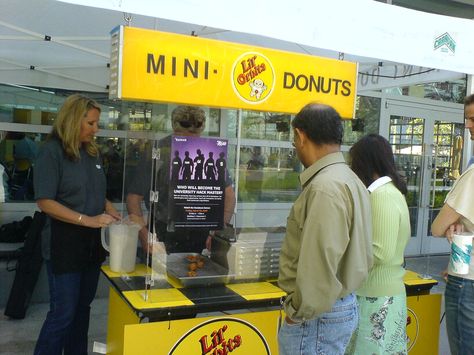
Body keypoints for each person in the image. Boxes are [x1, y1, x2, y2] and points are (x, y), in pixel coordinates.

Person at [278, 103, 373, 355]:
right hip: (336, 305)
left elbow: (319, 263)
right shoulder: (349, 178)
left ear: (300, 135)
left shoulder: (325, 187)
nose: (295, 147)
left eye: (293, 141)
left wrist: (297, 314)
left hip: (317, 315)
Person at [33, 94, 120, 355]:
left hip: (91, 245)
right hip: (64, 244)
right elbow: (45, 201)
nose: (97, 129)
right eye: (91, 123)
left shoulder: (90, 152)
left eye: (97, 123)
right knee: (64, 314)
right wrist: (88, 219)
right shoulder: (51, 152)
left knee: (83, 310)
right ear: (73, 121)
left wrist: (107, 206)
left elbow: (90, 189)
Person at [126, 105, 235, 255]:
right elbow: (133, 198)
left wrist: (217, 231)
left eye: (193, 136)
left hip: (197, 232)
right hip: (163, 231)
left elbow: (229, 196)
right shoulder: (158, 150)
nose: (188, 142)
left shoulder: (208, 150)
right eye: (184, 136)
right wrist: (145, 236)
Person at [346, 134, 411, 354]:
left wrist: (340, 256)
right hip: (383, 294)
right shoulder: (391, 192)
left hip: (376, 297)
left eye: (353, 163)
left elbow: (379, 253)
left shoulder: (381, 196)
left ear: (365, 163)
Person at [431, 93, 474, 355]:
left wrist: (453, 222)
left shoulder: (472, 176)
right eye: (467, 119)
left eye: (473, 119)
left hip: (468, 283)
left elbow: (437, 227)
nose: (468, 125)